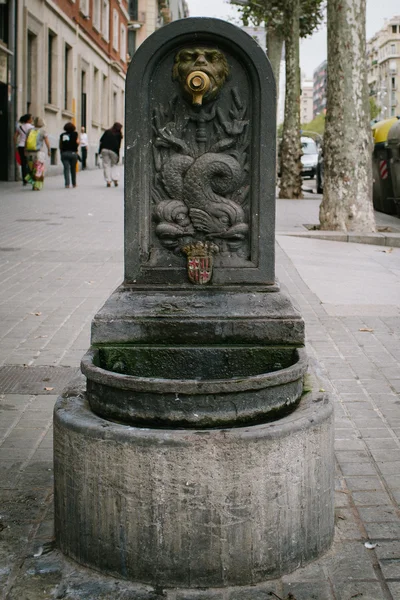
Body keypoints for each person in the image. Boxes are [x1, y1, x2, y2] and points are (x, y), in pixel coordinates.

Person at [24, 117, 51, 191]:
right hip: (39, 153)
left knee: (31, 169)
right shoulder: (43, 131)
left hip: (30, 153)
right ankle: (36, 186)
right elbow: (47, 142)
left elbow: (26, 141)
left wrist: (25, 150)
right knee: (38, 169)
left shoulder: (29, 130)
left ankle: (33, 184)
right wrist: (49, 150)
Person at [99, 122, 123, 187]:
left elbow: (101, 141)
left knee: (106, 165)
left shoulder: (107, 132)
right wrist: (118, 155)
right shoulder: (119, 134)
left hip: (104, 150)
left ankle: (108, 181)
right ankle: (115, 179)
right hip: (114, 151)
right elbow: (118, 146)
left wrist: (99, 151)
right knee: (114, 165)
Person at [14, 114, 34, 185]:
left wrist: (16, 145)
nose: (32, 119)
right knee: (30, 163)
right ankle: (30, 179)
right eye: (31, 118)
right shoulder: (32, 127)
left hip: (21, 146)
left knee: (23, 163)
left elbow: (15, 136)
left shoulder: (20, 127)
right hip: (29, 147)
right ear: (28, 120)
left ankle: (24, 180)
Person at [59, 122, 79, 188]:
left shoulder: (62, 135)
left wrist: (61, 152)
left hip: (64, 153)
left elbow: (60, 144)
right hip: (73, 153)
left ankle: (67, 184)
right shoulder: (75, 134)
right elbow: (77, 142)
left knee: (66, 169)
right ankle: (74, 184)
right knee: (73, 169)